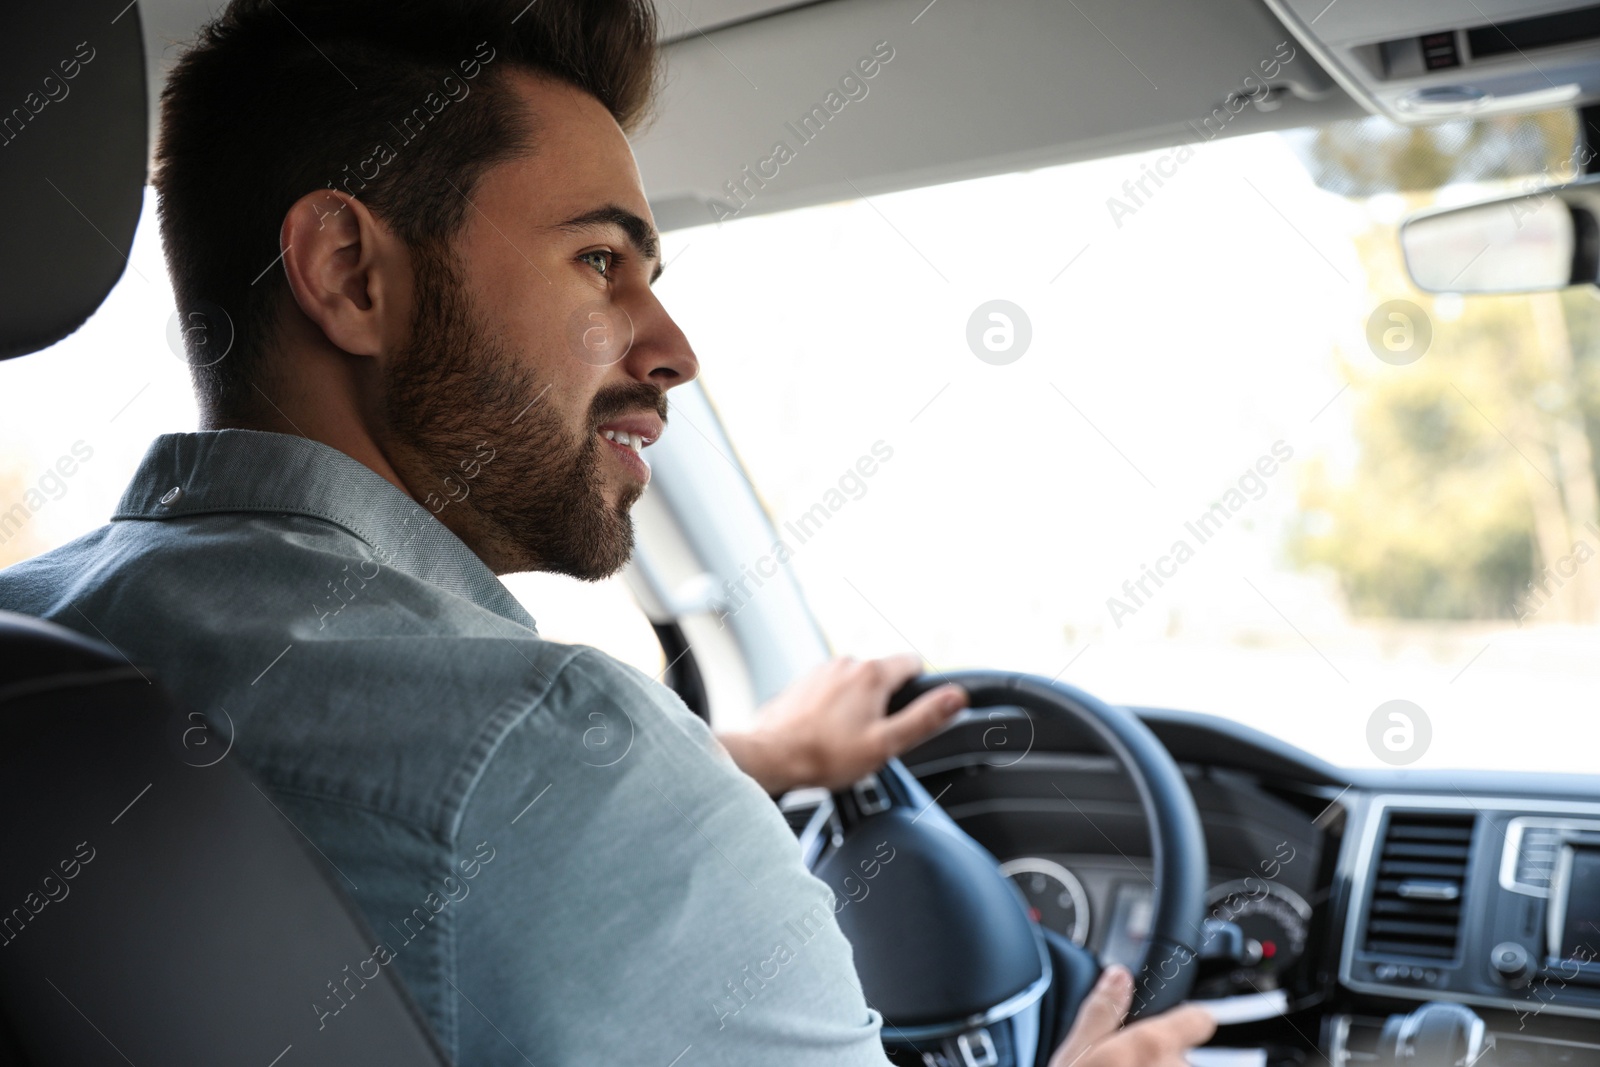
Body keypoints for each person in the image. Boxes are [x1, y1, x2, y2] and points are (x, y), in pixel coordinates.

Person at [0, 1, 1216, 1063]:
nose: (673, 350)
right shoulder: (571, 761)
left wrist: (761, 759)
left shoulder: (43, 643)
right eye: (599, 261)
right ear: (350, 273)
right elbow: (504, 804)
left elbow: (360, 792)